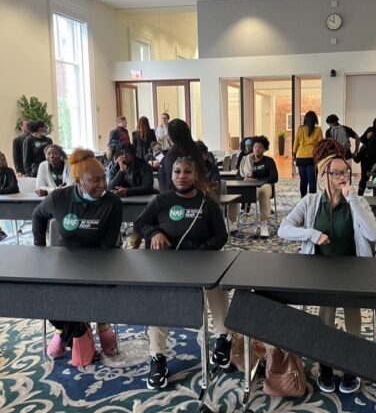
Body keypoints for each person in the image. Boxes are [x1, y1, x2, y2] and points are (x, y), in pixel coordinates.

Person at [278, 139, 376, 394]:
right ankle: (325, 364)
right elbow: (284, 229)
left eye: (345, 171)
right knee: (326, 318)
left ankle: (351, 365)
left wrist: (353, 200)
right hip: (322, 270)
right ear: (323, 174)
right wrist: (312, 234)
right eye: (336, 173)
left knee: (352, 317)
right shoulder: (311, 202)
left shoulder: (356, 201)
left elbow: (374, 233)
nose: (343, 177)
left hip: (353, 268)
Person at [134, 156, 230, 390]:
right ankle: (158, 357)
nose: (182, 176)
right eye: (177, 172)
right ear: (171, 175)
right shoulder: (162, 201)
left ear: (195, 176)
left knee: (218, 284)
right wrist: (154, 232)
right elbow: (140, 224)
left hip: (201, 261)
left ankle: (223, 338)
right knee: (159, 298)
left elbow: (221, 236)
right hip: (168, 265)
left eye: (187, 172)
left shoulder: (208, 203)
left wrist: (199, 250)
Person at [32, 149, 122, 365]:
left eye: (104, 178)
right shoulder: (60, 198)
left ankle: (101, 323)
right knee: (48, 290)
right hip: (65, 261)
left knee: (96, 288)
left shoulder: (112, 203)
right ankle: (63, 328)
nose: (103, 185)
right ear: (78, 181)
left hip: (100, 260)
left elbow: (109, 244)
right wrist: (40, 249)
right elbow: (38, 215)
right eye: (95, 180)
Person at [228, 135, 278, 238]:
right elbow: (238, 175)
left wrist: (256, 180)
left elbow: (274, 177)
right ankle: (232, 222)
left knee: (262, 192)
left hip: (264, 186)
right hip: (248, 187)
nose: (257, 149)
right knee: (232, 192)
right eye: (255, 147)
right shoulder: (246, 160)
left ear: (264, 149)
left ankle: (264, 224)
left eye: (260, 147)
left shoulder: (269, 161)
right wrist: (244, 179)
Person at [157, 119, 206, 194]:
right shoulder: (196, 150)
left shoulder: (172, 155)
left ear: (171, 136)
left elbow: (170, 182)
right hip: (197, 194)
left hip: (176, 199)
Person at [293, 111, 323, 197]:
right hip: (312, 157)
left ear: (305, 119)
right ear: (315, 119)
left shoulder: (300, 129)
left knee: (303, 180)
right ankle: (312, 199)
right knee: (312, 180)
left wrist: (294, 154)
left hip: (300, 156)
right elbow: (320, 144)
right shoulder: (318, 130)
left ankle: (303, 199)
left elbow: (296, 143)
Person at [0, 151, 20, 242]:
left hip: (12, 201)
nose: (2, 160)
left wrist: (1, 192)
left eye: (3, 158)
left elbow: (14, 188)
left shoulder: (9, 171)